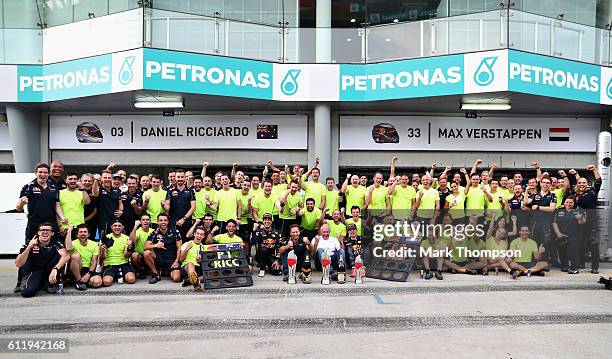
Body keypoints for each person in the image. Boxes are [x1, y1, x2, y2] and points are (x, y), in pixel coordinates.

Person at [15, 163, 61, 292]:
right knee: (28, 250)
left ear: (48, 174)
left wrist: (62, 218)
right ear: (36, 173)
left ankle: (51, 280)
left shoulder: (53, 187)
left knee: (54, 250)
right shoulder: (28, 187)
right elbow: (18, 207)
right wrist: (21, 203)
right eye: (40, 172)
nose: (43, 174)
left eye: (45, 172)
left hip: (52, 224)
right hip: (35, 225)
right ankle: (20, 281)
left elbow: (57, 205)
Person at [15, 222, 70, 297]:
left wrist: (55, 268)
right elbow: (18, 263)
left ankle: (48, 283)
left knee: (60, 256)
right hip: (34, 271)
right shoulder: (30, 243)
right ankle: (31, 283)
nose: (45, 232)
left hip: (48, 271)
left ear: (52, 233)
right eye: (42, 230)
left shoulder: (55, 243)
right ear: (38, 232)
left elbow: (66, 256)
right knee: (27, 292)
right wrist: (28, 248)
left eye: (48, 230)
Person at [570, 165, 602, 274]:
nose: (581, 184)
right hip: (578, 224)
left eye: (584, 183)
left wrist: (594, 170)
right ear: (577, 185)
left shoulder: (592, 192)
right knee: (578, 244)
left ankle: (595, 267)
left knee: (593, 245)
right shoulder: (574, 195)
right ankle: (578, 265)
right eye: (579, 183)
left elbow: (598, 181)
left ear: (587, 184)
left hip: (591, 223)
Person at [144, 213, 182, 284]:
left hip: (171, 259)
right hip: (159, 258)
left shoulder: (175, 232)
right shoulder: (154, 232)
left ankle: (166, 271)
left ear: (168, 222)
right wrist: (156, 245)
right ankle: (156, 274)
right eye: (161, 220)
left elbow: (179, 248)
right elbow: (145, 247)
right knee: (146, 253)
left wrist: (177, 261)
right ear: (158, 222)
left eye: (165, 220)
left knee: (176, 278)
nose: (163, 222)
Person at [552, 197, 587, 274]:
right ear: (564, 203)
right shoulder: (558, 210)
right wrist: (558, 233)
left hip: (574, 234)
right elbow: (554, 222)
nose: (568, 204)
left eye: (571, 202)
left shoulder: (578, 210)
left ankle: (574, 268)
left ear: (573, 203)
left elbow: (582, 222)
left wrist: (580, 217)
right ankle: (565, 266)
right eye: (567, 202)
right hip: (561, 234)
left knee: (573, 250)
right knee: (562, 250)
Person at [65, 224, 102, 289]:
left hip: (88, 269)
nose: (83, 234)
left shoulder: (94, 244)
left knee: (97, 282)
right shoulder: (73, 243)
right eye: (80, 232)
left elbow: (94, 262)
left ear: (88, 234)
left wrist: (88, 274)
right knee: (76, 255)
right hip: (76, 269)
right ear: (77, 235)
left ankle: (81, 282)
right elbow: (68, 248)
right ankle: (79, 281)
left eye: (85, 232)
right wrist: (69, 231)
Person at [99, 220, 136, 286]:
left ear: (123, 227)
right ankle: (116, 275)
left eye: (119, 226)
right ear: (111, 227)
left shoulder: (126, 238)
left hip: (124, 264)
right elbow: (102, 258)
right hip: (110, 265)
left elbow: (126, 256)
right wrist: (102, 251)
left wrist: (129, 248)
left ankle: (118, 275)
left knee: (131, 279)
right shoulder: (106, 238)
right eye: (115, 226)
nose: (117, 227)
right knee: (107, 282)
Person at [164, 169, 196, 239]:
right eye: (178, 177)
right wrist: (164, 205)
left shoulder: (190, 191)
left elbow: (193, 207)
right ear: (175, 178)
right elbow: (167, 208)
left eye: (182, 177)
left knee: (186, 243)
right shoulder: (170, 191)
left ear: (185, 178)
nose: (180, 179)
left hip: (186, 222)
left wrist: (183, 219)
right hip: (173, 223)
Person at [57, 173, 91, 237]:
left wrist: (82, 188)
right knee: (65, 247)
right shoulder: (60, 193)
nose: (73, 181)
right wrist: (60, 226)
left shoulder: (81, 192)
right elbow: (56, 210)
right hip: (65, 227)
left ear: (78, 180)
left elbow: (87, 202)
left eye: (75, 179)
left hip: (79, 227)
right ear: (66, 180)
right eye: (70, 179)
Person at [92, 170, 123, 239]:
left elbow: (120, 202)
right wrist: (96, 180)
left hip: (115, 223)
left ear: (112, 179)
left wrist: (121, 211)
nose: (107, 179)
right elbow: (94, 193)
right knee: (104, 244)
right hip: (103, 223)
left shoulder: (117, 190)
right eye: (105, 178)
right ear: (101, 179)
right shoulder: (98, 189)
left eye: (109, 178)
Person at [179, 226, 206, 291]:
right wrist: (186, 249)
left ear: (203, 237)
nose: (199, 236)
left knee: (215, 272)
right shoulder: (187, 244)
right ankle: (196, 285)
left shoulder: (204, 247)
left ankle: (190, 280)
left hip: (198, 268)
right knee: (190, 264)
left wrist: (201, 261)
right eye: (197, 233)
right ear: (194, 234)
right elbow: (181, 259)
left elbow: (205, 263)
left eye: (201, 234)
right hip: (187, 267)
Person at [129, 214, 154, 279]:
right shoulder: (138, 231)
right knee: (134, 255)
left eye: (147, 220)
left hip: (150, 255)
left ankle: (153, 270)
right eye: (143, 220)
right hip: (140, 256)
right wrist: (135, 227)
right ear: (140, 221)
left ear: (150, 221)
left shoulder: (153, 231)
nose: (145, 221)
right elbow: (132, 241)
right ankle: (141, 270)